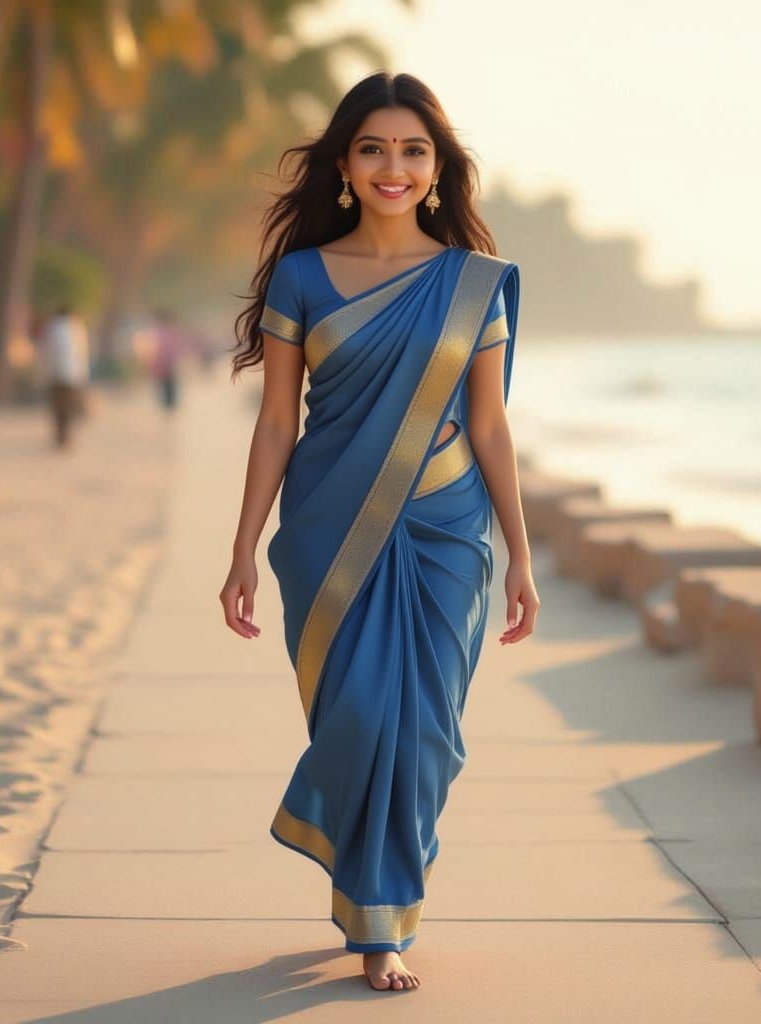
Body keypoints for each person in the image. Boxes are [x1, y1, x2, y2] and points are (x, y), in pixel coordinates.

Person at [219, 72, 539, 993]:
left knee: (427, 735)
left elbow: (491, 428)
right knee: (356, 717)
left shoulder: (474, 285)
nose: (392, 167)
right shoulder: (303, 276)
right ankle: (372, 909)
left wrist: (520, 554)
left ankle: (382, 917)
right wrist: (242, 545)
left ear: (438, 168)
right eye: (372, 149)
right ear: (345, 166)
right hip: (329, 531)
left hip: (447, 532)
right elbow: (278, 421)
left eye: (412, 150)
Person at [38, 304, 90, 449]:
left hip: (54, 375)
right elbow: (82, 354)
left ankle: (60, 435)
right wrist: (83, 376)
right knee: (68, 408)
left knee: (57, 408)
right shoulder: (77, 328)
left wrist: (42, 374)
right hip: (72, 376)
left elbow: (45, 353)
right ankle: (65, 436)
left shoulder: (51, 328)